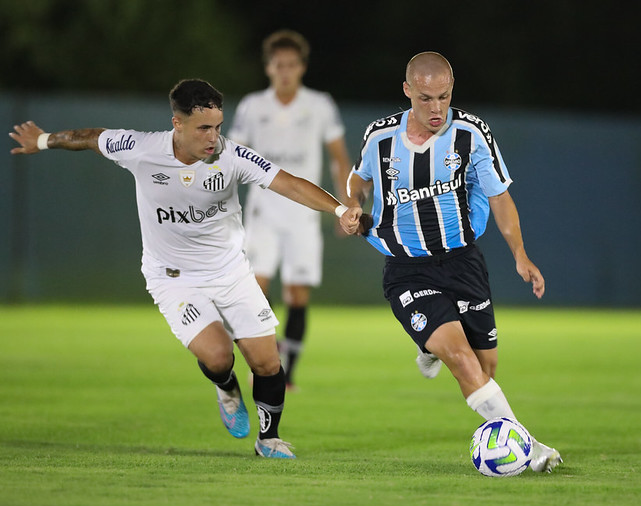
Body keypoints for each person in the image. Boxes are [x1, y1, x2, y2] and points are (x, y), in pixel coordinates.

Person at [9, 79, 361, 459]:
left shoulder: (232, 156)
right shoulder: (141, 148)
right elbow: (91, 136)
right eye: (204, 128)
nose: (214, 137)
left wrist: (340, 210)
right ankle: (226, 389)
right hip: (173, 278)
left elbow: (289, 184)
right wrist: (44, 141)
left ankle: (268, 439)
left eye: (218, 126)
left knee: (267, 361)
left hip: (231, 273)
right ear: (177, 123)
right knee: (218, 356)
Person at [347, 52, 562, 473]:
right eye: (425, 98)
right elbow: (360, 178)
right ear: (408, 91)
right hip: (407, 267)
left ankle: (426, 342)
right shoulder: (380, 137)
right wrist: (353, 205)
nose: (436, 108)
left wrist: (520, 255)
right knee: (462, 359)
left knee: (486, 366)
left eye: (443, 97)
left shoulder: (472, 134)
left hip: (463, 262)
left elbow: (499, 197)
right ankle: (529, 447)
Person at [227, 30, 352, 390]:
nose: (285, 71)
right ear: (268, 68)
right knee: (256, 286)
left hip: (303, 214)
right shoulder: (253, 106)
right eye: (278, 65)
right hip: (263, 211)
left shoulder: (320, 104)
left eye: (291, 65)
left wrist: (345, 206)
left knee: (297, 294)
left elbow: (339, 158)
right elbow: (231, 159)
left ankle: (289, 373)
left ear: (302, 67)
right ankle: (266, 358)